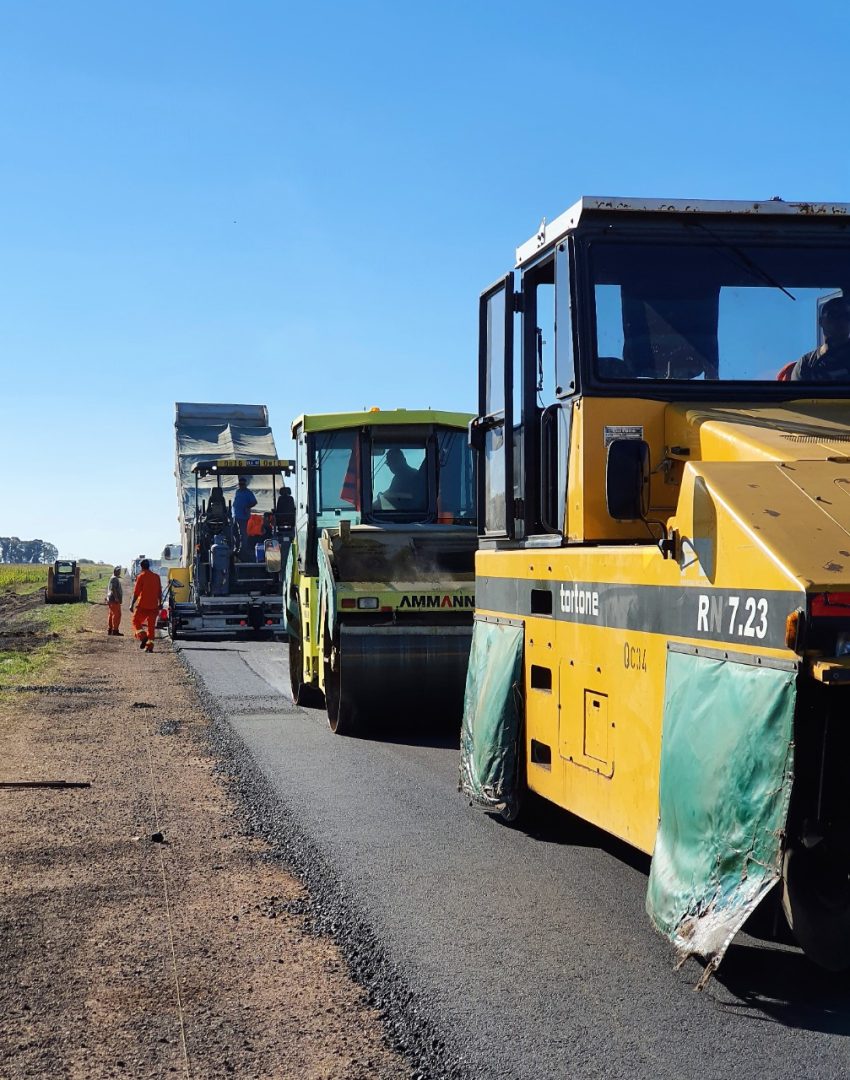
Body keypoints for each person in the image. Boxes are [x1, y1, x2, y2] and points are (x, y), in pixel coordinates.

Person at [790, 296, 850, 381]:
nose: (841, 320)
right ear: (821, 321)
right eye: (834, 315)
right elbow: (797, 393)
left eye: (846, 316)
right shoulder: (807, 363)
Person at [130, 558, 162, 653]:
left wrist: (131, 604)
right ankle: (149, 647)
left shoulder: (141, 576)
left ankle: (143, 637)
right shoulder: (156, 577)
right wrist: (160, 603)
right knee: (151, 627)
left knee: (135, 621)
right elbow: (159, 592)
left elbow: (136, 592)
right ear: (149, 566)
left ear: (141, 567)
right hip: (154, 607)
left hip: (143, 606)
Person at [232, 476, 257, 560]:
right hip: (235, 516)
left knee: (243, 534)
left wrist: (247, 507)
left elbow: (254, 502)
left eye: (242, 484)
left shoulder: (248, 492)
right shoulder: (237, 491)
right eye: (240, 484)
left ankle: (244, 550)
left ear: (245, 484)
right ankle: (237, 548)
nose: (241, 485)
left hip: (243, 516)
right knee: (234, 533)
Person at [106, 566, 123, 636]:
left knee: (111, 614)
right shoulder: (114, 578)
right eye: (118, 571)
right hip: (114, 600)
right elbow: (113, 589)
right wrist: (116, 598)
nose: (119, 572)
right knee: (117, 615)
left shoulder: (113, 578)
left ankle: (110, 630)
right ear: (115, 571)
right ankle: (115, 630)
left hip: (111, 599)